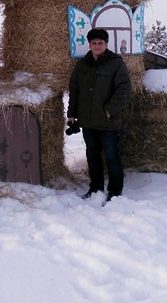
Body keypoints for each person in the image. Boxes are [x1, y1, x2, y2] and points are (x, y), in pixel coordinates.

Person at [66, 28, 131, 203]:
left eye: (100, 43)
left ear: (106, 44)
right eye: (94, 43)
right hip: (87, 121)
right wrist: (71, 114)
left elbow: (124, 89)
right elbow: (74, 90)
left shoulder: (116, 63)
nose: (97, 46)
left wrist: (109, 110)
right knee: (92, 156)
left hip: (107, 121)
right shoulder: (82, 64)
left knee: (111, 157)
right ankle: (95, 188)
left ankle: (115, 192)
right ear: (89, 44)